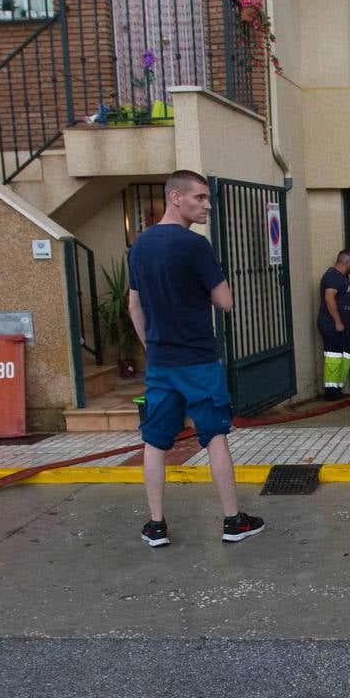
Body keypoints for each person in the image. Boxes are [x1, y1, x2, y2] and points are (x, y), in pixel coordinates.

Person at [127, 169, 265, 548]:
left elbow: (134, 306)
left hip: (161, 363)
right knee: (215, 436)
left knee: (154, 441)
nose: (207, 205)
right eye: (199, 198)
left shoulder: (139, 245)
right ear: (175, 197)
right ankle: (233, 521)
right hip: (199, 361)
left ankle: (156, 525)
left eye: (207, 198)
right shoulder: (194, 246)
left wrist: (151, 348)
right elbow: (226, 302)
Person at [318, 250, 350, 401]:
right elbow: (329, 298)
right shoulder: (332, 276)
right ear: (347, 263)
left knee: (345, 355)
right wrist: (338, 322)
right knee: (333, 356)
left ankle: (337, 389)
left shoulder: (343, 278)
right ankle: (331, 392)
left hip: (343, 326)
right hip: (333, 325)